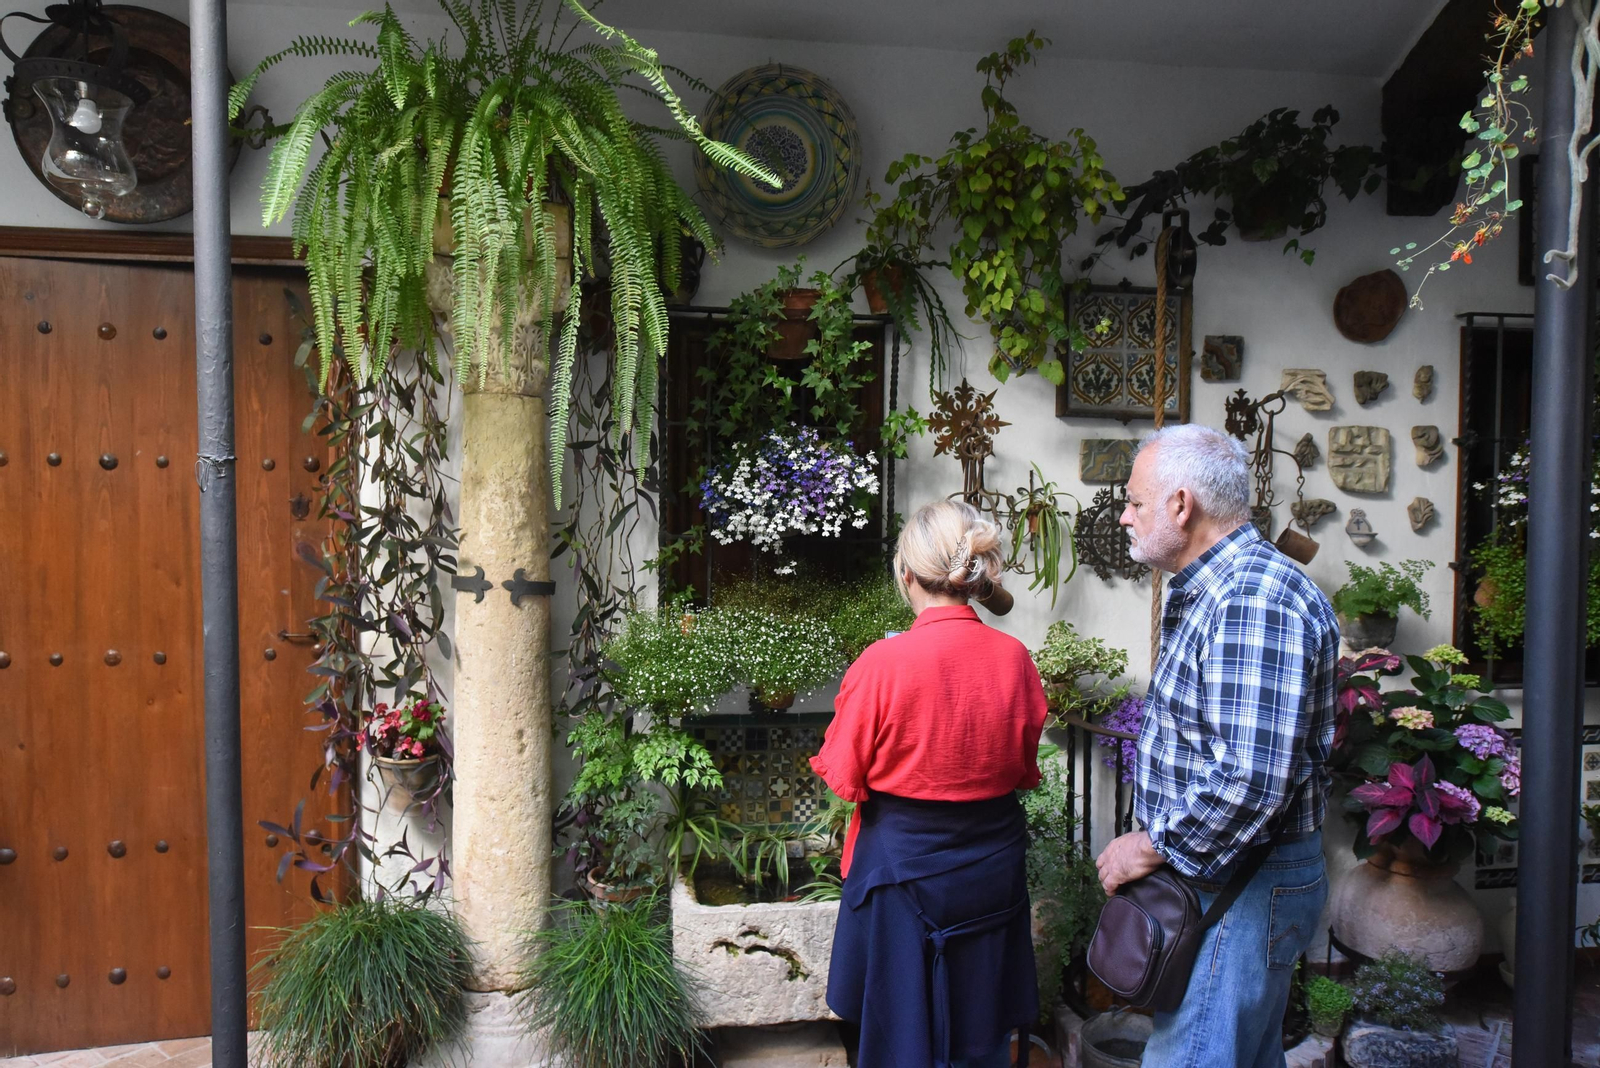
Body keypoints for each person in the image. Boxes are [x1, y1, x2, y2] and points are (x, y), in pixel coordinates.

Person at [1096, 424, 1339, 1068]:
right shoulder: (1219, 590)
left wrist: (1146, 847)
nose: (1124, 516)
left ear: (1181, 505)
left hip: (1243, 884)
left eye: (1135, 502)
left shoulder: (1252, 602)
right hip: (1231, 879)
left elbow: (1249, 781)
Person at [812, 499, 1049, 1068]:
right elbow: (1021, 769)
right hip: (992, 870)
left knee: (900, 1038)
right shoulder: (1015, 659)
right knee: (983, 1028)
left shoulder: (882, 663)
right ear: (972, 574)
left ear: (905, 573)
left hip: (903, 874)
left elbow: (843, 776)